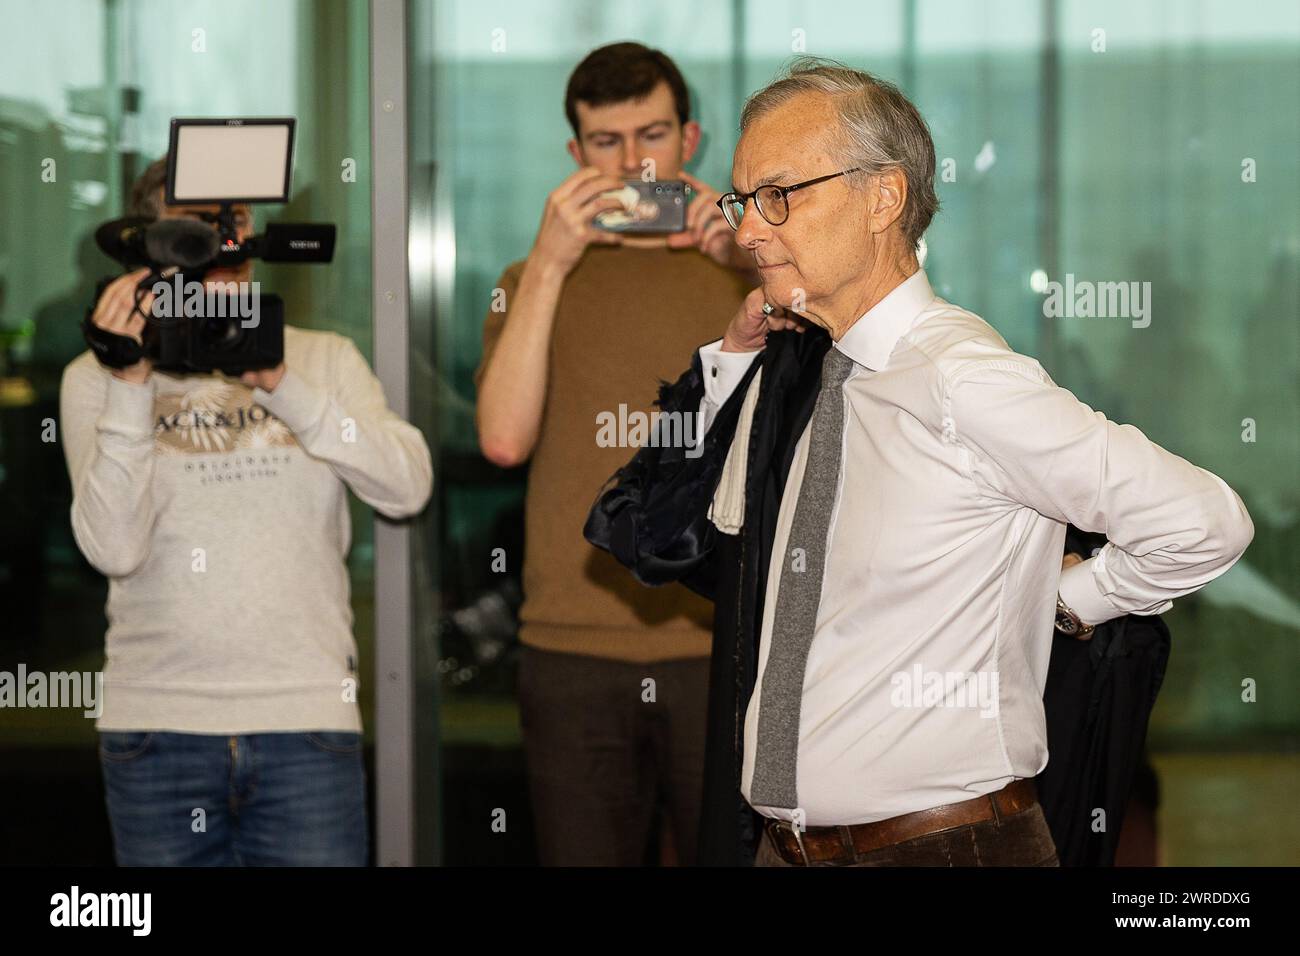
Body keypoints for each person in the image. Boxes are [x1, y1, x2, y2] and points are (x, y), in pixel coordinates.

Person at [586, 59, 1254, 867]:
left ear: (883, 198)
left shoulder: (960, 377)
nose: (749, 229)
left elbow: (1204, 520)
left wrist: (1069, 600)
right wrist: (730, 359)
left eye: (778, 196)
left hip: (944, 848)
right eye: (742, 201)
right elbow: (661, 531)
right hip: (788, 848)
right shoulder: (820, 371)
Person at [59, 156, 433, 866]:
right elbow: (114, 549)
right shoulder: (97, 376)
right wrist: (130, 384)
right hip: (157, 726)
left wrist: (280, 383)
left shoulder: (321, 358)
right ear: (147, 245)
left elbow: (407, 485)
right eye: (196, 230)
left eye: (234, 226)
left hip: (305, 718)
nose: (220, 248)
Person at [474, 42, 754, 865]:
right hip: (572, 644)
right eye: (607, 142)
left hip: (722, 636)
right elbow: (502, 437)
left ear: (691, 140)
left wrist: (749, 260)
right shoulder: (532, 275)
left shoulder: (750, 271)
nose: (635, 163)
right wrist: (552, 265)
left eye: (653, 135)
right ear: (574, 155)